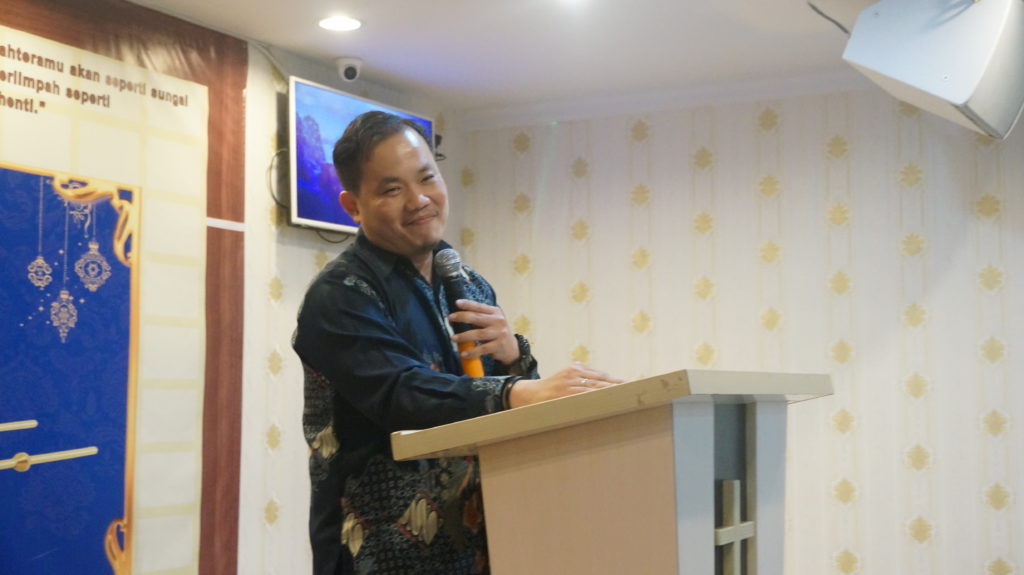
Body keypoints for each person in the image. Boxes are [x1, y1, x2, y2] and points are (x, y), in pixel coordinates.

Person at [292, 111, 621, 575]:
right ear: (353, 206)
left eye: (427, 178)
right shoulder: (340, 295)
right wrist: (515, 391)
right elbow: (401, 393)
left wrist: (515, 358)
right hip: (380, 554)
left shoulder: (468, 286)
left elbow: (511, 410)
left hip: (484, 541)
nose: (419, 200)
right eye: (392, 189)